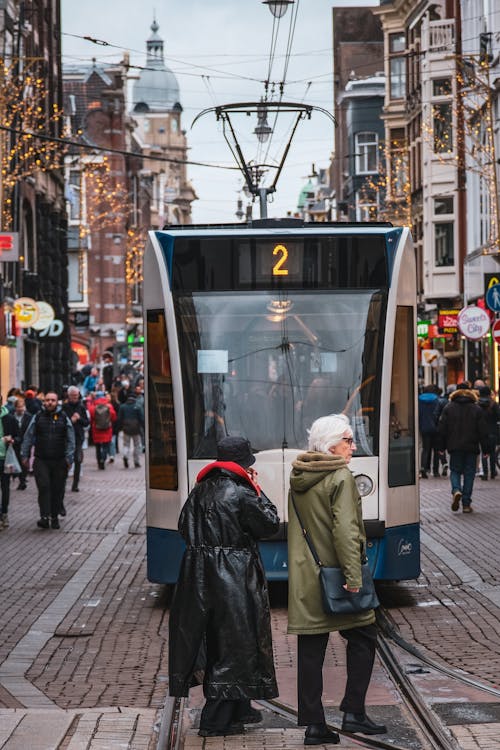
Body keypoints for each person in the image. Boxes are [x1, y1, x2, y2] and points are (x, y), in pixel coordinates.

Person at [169, 436, 280, 738]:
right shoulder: (242, 493)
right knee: (235, 643)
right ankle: (215, 719)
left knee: (219, 640)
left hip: (199, 574)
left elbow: (183, 526)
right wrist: (258, 490)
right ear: (244, 464)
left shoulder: (201, 490)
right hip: (232, 575)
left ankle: (238, 709)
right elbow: (270, 524)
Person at [288, 414, 386, 745]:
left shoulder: (300, 473)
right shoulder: (340, 477)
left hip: (307, 577)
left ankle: (314, 724)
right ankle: (354, 711)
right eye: (348, 439)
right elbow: (346, 531)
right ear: (332, 444)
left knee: (311, 648)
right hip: (339, 578)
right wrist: (353, 576)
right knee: (364, 635)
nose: (353, 445)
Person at [21, 391, 75, 530]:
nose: (50, 402)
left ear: (57, 402)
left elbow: (70, 438)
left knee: (57, 489)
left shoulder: (63, 417)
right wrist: (25, 455)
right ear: (44, 402)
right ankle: (44, 517)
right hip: (41, 459)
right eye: (47, 400)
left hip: (59, 460)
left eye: (52, 400)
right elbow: (28, 436)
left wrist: (69, 458)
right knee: (44, 487)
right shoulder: (38, 417)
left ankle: (54, 516)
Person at [437, 382, 489, 513]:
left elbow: (442, 429)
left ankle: (456, 490)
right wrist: (486, 449)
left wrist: (441, 447)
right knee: (469, 474)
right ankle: (466, 504)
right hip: (471, 447)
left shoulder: (449, 408)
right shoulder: (476, 409)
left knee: (454, 470)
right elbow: (483, 431)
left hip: (454, 446)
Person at [62, 386, 90, 492]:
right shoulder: (64, 407)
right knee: (66, 460)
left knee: (77, 460)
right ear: (68, 396)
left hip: (78, 437)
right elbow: (62, 422)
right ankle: (62, 483)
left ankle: (75, 485)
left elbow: (86, 422)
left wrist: (79, 419)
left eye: (76, 395)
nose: (74, 397)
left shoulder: (82, 407)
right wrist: (71, 420)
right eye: (72, 396)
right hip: (66, 438)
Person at [0, 395, 19, 529]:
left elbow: (19, 436)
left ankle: (4, 513)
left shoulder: (9, 418)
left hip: (5, 458)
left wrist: (12, 439)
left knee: (5, 487)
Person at [88, 392, 116, 469]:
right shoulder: (109, 406)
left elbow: (90, 419)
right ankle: (103, 460)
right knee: (105, 446)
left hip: (96, 430)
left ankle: (99, 462)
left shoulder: (92, 407)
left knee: (98, 447)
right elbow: (113, 417)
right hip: (107, 430)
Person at [477, 386, 500, 480]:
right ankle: (493, 472)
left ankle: (485, 473)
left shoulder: (477, 404)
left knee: (484, 452)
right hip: (493, 430)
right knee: (492, 452)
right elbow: (498, 417)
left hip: (481, 431)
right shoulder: (494, 404)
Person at [117, 393, 144, 468]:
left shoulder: (123, 407)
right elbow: (142, 418)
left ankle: (125, 455)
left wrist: (119, 428)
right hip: (136, 428)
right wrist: (143, 427)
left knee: (126, 444)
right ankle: (136, 461)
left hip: (126, 428)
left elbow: (119, 419)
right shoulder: (138, 407)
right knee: (137, 445)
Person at [417, 385, 439, 478]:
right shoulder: (437, 400)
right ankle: (436, 470)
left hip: (424, 427)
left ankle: (423, 467)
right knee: (436, 449)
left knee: (425, 449)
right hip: (435, 427)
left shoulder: (419, 400)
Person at [13, 396, 32, 490]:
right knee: (18, 461)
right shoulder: (12, 416)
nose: (20, 409)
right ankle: (21, 480)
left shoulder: (29, 417)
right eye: (18, 407)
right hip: (15, 443)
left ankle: (23, 479)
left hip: (25, 442)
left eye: (22, 406)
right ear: (15, 407)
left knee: (24, 461)